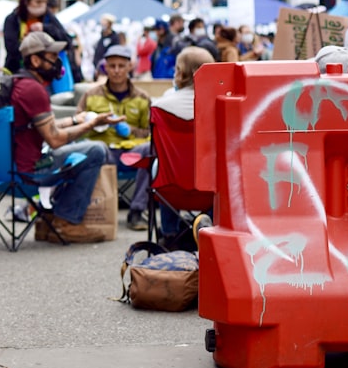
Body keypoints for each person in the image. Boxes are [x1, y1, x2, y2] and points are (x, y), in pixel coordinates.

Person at [11, 31, 113, 228]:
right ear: (35, 60)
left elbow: (40, 128)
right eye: (51, 57)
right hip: (29, 172)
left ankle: (53, 213)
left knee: (77, 147)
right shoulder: (33, 90)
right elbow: (55, 139)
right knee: (96, 150)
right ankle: (66, 218)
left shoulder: (18, 85)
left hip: (5, 170)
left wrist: (76, 120)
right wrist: (90, 125)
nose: (57, 62)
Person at [77, 44, 152, 230]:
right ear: (105, 67)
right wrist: (94, 123)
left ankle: (136, 211)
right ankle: (92, 210)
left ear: (129, 67)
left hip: (130, 153)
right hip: (103, 152)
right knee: (94, 149)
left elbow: (149, 132)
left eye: (121, 66)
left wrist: (131, 130)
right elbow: (78, 126)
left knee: (151, 149)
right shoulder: (91, 95)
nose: (117, 71)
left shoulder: (142, 98)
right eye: (112, 66)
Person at [151, 46, 215, 243]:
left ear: (180, 71)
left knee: (158, 164)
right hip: (211, 189)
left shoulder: (159, 107)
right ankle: (212, 225)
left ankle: (169, 232)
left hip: (170, 187)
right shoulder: (221, 106)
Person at [4, 0, 68, 74]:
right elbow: (12, 49)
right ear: (26, 1)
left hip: (46, 74)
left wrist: (45, 28)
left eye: (45, 2)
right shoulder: (13, 19)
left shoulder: (48, 17)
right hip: (18, 71)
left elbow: (67, 39)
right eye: (38, 2)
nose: (42, 5)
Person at [92, 13, 121, 79]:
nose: (102, 24)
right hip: (98, 68)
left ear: (109, 24)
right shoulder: (102, 36)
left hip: (107, 69)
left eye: (104, 22)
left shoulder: (114, 38)